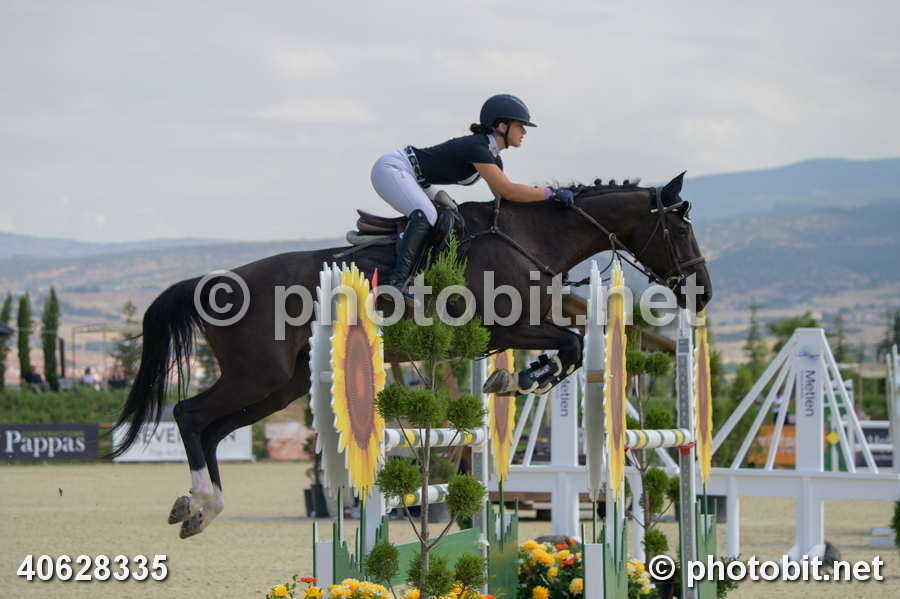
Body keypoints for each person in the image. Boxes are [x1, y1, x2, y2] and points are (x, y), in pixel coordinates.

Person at [370, 94, 575, 294]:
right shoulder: (477, 147)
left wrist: (545, 207)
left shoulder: (492, 156)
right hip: (393, 168)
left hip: (417, 179)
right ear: (502, 126)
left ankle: (423, 273)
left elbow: (503, 199)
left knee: (451, 215)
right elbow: (509, 190)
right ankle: (397, 282)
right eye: (520, 125)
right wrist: (550, 193)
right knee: (427, 214)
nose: (524, 132)